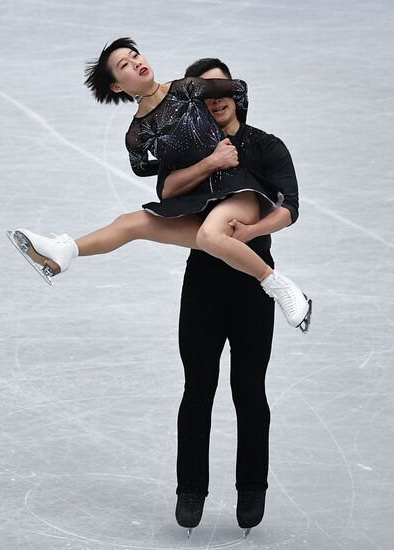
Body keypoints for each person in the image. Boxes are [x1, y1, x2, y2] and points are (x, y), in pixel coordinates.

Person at [8, 37, 312, 332]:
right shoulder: (138, 133)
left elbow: (238, 88)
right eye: (124, 64)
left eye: (135, 55)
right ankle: (67, 249)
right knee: (131, 222)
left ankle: (279, 286)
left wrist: (227, 139)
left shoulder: (186, 89)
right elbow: (142, 168)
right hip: (199, 203)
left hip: (235, 189)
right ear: (118, 86)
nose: (136, 63)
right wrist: (184, 165)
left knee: (208, 235)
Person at [163, 58, 300, 537]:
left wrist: (251, 231)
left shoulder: (265, 146)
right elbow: (164, 188)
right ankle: (190, 488)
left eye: (222, 89)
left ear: (236, 94)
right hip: (202, 282)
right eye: (204, 93)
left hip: (252, 285)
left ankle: (251, 487)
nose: (215, 99)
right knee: (197, 388)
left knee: (249, 389)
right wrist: (206, 162)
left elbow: (289, 208)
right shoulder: (189, 150)